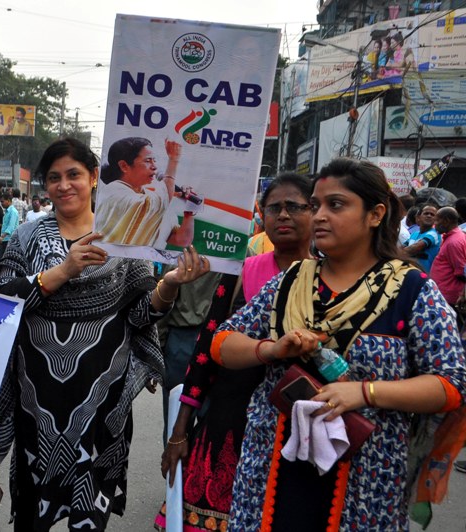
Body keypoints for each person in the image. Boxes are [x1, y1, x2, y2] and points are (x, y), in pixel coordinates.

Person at [209, 158, 465, 530]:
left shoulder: (410, 291)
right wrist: (271, 349)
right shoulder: (292, 281)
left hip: (365, 477)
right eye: (315, 206)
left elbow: (450, 385)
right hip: (272, 467)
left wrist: (365, 392)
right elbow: (222, 343)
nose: (320, 216)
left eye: (336, 205)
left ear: (376, 214)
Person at [0, 138, 206, 530]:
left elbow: (141, 314)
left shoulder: (124, 238)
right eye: (54, 178)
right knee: (33, 508)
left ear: (92, 178)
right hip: (37, 398)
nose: (63, 185)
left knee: (90, 506)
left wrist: (170, 284)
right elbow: (2, 298)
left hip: (103, 398)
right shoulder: (26, 236)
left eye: (73, 174)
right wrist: (63, 271)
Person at [158, 172, 315, 532]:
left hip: (301, 429)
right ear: (261, 214)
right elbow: (205, 352)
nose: (284, 215)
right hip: (229, 420)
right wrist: (180, 430)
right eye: (274, 208)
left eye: (294, 206)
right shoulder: (241, 272)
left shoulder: (332, 279)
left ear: (314, 211)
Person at [94, 137, 197, 248]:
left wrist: (189, 210)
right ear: (124, 166)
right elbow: (156, 202)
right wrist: (173, 161)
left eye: (154, 160)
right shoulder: (113, 191)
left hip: (147, 265)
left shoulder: (152, 199)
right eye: (148, 161)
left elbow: (182, 240)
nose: (154, 167)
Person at [403, 203, 441, 272]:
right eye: (426, 213)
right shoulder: (414, 234)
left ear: (436, 219)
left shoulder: (435, 234)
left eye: (432, 214)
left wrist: (393, 254)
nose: (429, 216)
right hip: (409, 272)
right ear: (418, 217)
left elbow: (413, 248)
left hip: (423, 276)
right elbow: (402, 247)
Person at [0, 192, 18, 264]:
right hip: (4, 239)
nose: (1, 203)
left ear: (9, 201)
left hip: (9, 239)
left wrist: (2, 236)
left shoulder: (13, 212)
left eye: (2, 201)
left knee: (2, 259)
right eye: (0, 202)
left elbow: (11, 226)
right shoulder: (7, 211)